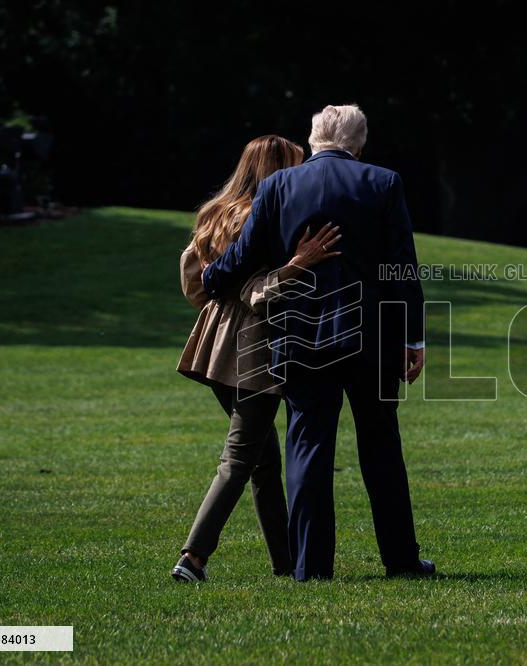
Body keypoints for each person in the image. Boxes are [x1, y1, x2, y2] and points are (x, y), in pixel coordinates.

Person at [202, 105, 435, 581]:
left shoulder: (275, 188)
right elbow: (402, 270)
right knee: (382, 449)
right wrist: (412, 336)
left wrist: (211, 276)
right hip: (373, 340)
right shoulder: (384, 183)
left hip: (299, 338)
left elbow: (243, 259)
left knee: (307, 447)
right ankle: (401, 560)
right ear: (359, 144)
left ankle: (311, 567)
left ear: (312, 141)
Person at [170, 135, 341, 582]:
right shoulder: (264, 216)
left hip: (214, 348)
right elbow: (258, 293)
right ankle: (194, 557)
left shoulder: (214, 214)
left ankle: (285, 563)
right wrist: (299, 263)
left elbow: (195, 285)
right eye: (294, 168)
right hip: (254, 347)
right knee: (241, 457)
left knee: (264, 461)